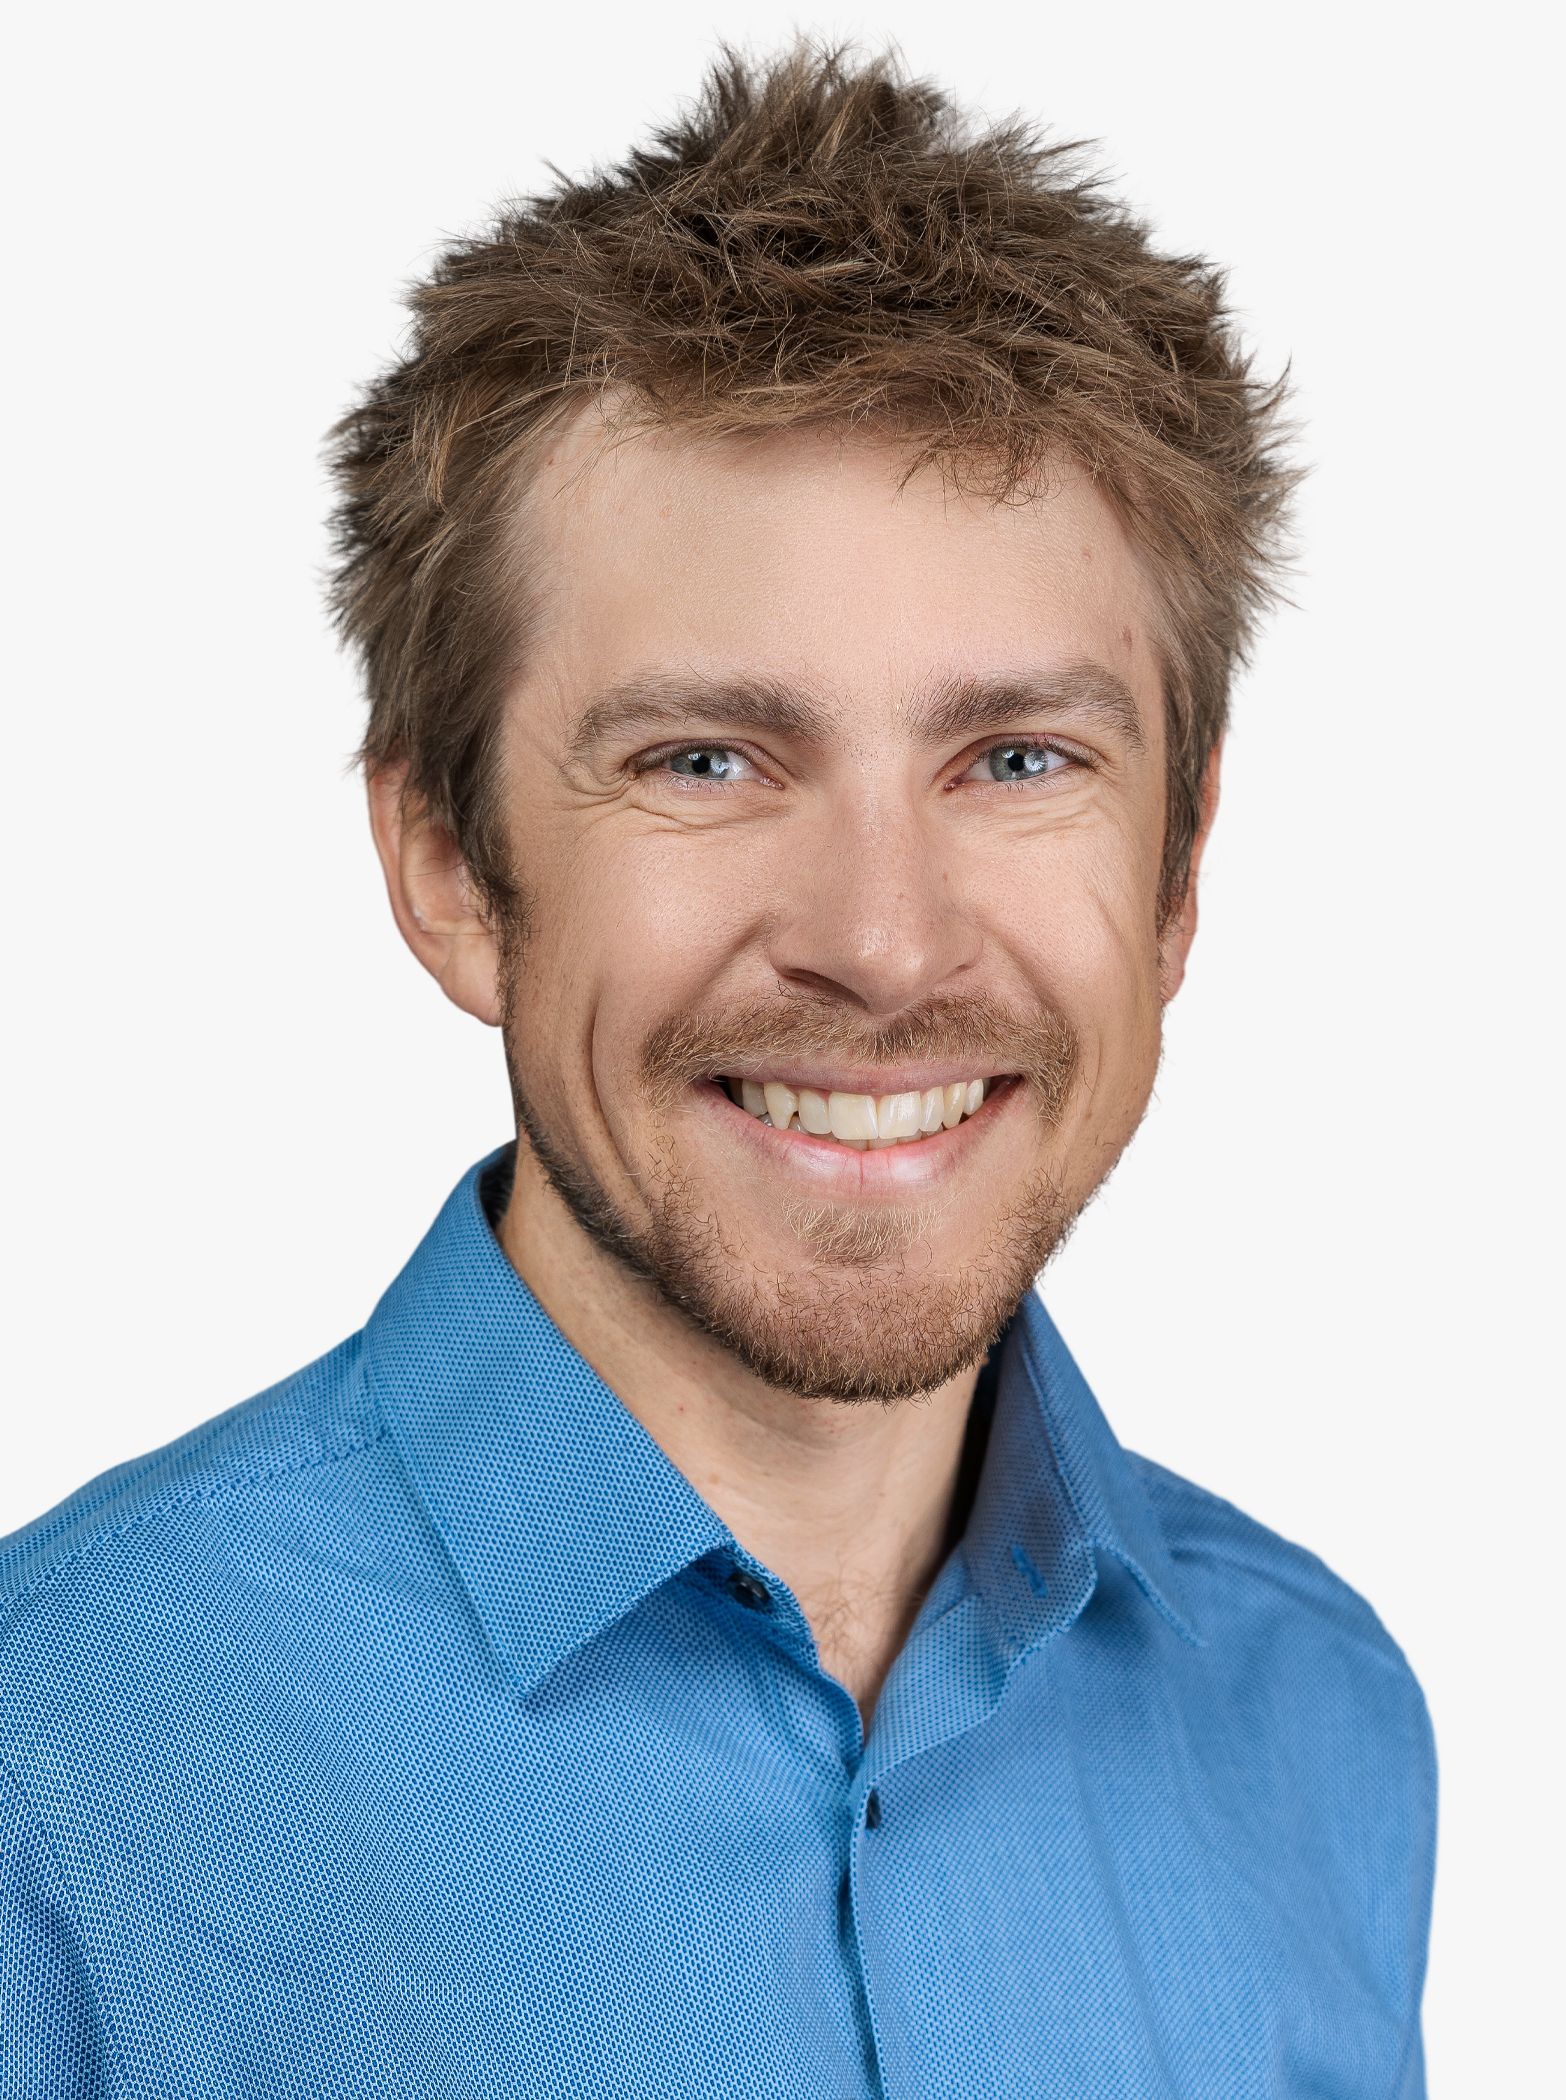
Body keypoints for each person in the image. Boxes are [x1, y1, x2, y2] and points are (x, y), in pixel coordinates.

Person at [0, 44, 1434, 2099]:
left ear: (1177, 875)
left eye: (1016, 759)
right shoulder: (56, 1774)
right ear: (448, 867)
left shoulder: (1316, 1718)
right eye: (706, 761)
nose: (885, 942)